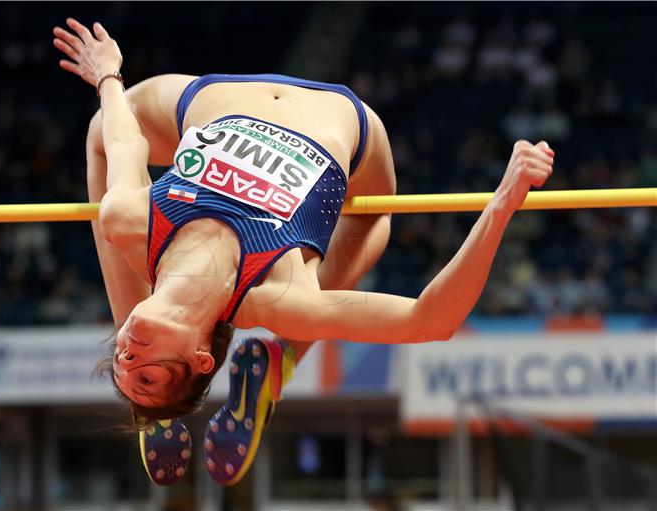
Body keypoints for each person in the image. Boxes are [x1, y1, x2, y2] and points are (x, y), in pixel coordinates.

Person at [53, 18, 555, 486]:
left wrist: (109, 76)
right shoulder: (276, 295)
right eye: (146, 369)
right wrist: (502, 205)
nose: (128, 349)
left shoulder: (132, 222)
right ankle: (281, 359)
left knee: (99, 131)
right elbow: (431, 320)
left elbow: (120, 141)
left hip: (213, 95)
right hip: (340, 116)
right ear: (202, 359)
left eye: (120, 357)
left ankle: (163, 409)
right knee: (375, 217)